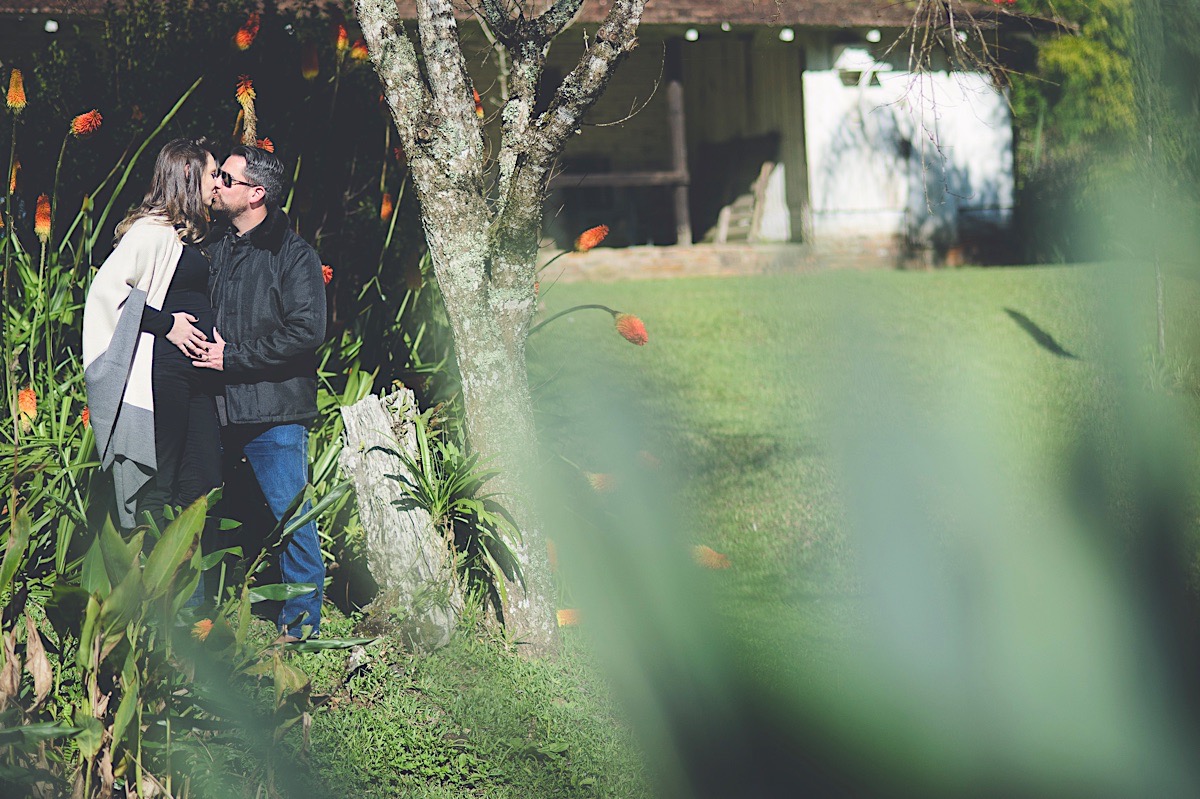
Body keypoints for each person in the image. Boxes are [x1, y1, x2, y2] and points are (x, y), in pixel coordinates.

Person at [195, 144, 327, 641]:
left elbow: (306, 332)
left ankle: (302, 624)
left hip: (274, 413)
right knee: (206, 513)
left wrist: (233, 357)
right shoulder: (215, 247)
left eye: (225, 179)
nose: (216, 186)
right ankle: (200, 612)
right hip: (217, 408)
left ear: (256, 193)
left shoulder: (293, 256)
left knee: (290, 517)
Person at [83, 138, 221, 545]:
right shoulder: (150, 233)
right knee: (161, 480)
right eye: (213, 174)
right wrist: (167, 326)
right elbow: (107, 295)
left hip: (196, 377)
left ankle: (188, 593)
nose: (217, 184)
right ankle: (146, 591)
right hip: (164, 372)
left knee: (203, 478)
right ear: (188, 176)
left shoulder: (186, 236)